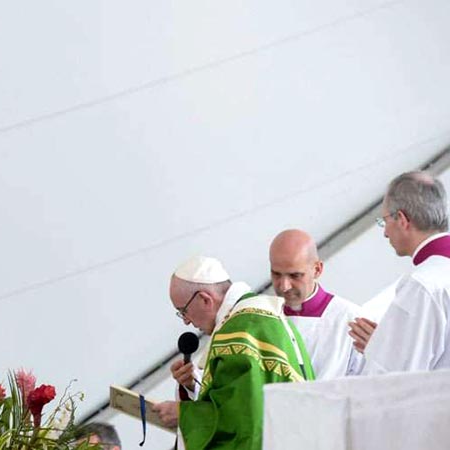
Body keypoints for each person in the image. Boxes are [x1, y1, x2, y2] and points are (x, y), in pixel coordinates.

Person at [152, 256, 313, 450]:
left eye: (183, 310)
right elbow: (246, 398)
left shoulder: (238, 332)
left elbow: (244, 421)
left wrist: (184, 414)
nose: (186, 321)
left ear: (205, 299)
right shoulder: (260, 317)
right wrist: (193, 385)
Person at [351, 171, 450, 374]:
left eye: (385, 220)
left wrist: (382, 351)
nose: (385, 232)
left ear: (403, 219)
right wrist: (387, 345)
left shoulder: (423, 285)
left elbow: (398, 378)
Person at [269, 229, 361, 379]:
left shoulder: (351, 319)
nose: (284, 286)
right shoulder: (261, 317)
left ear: (317, 270)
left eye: (295, 275)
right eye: (276, 274)